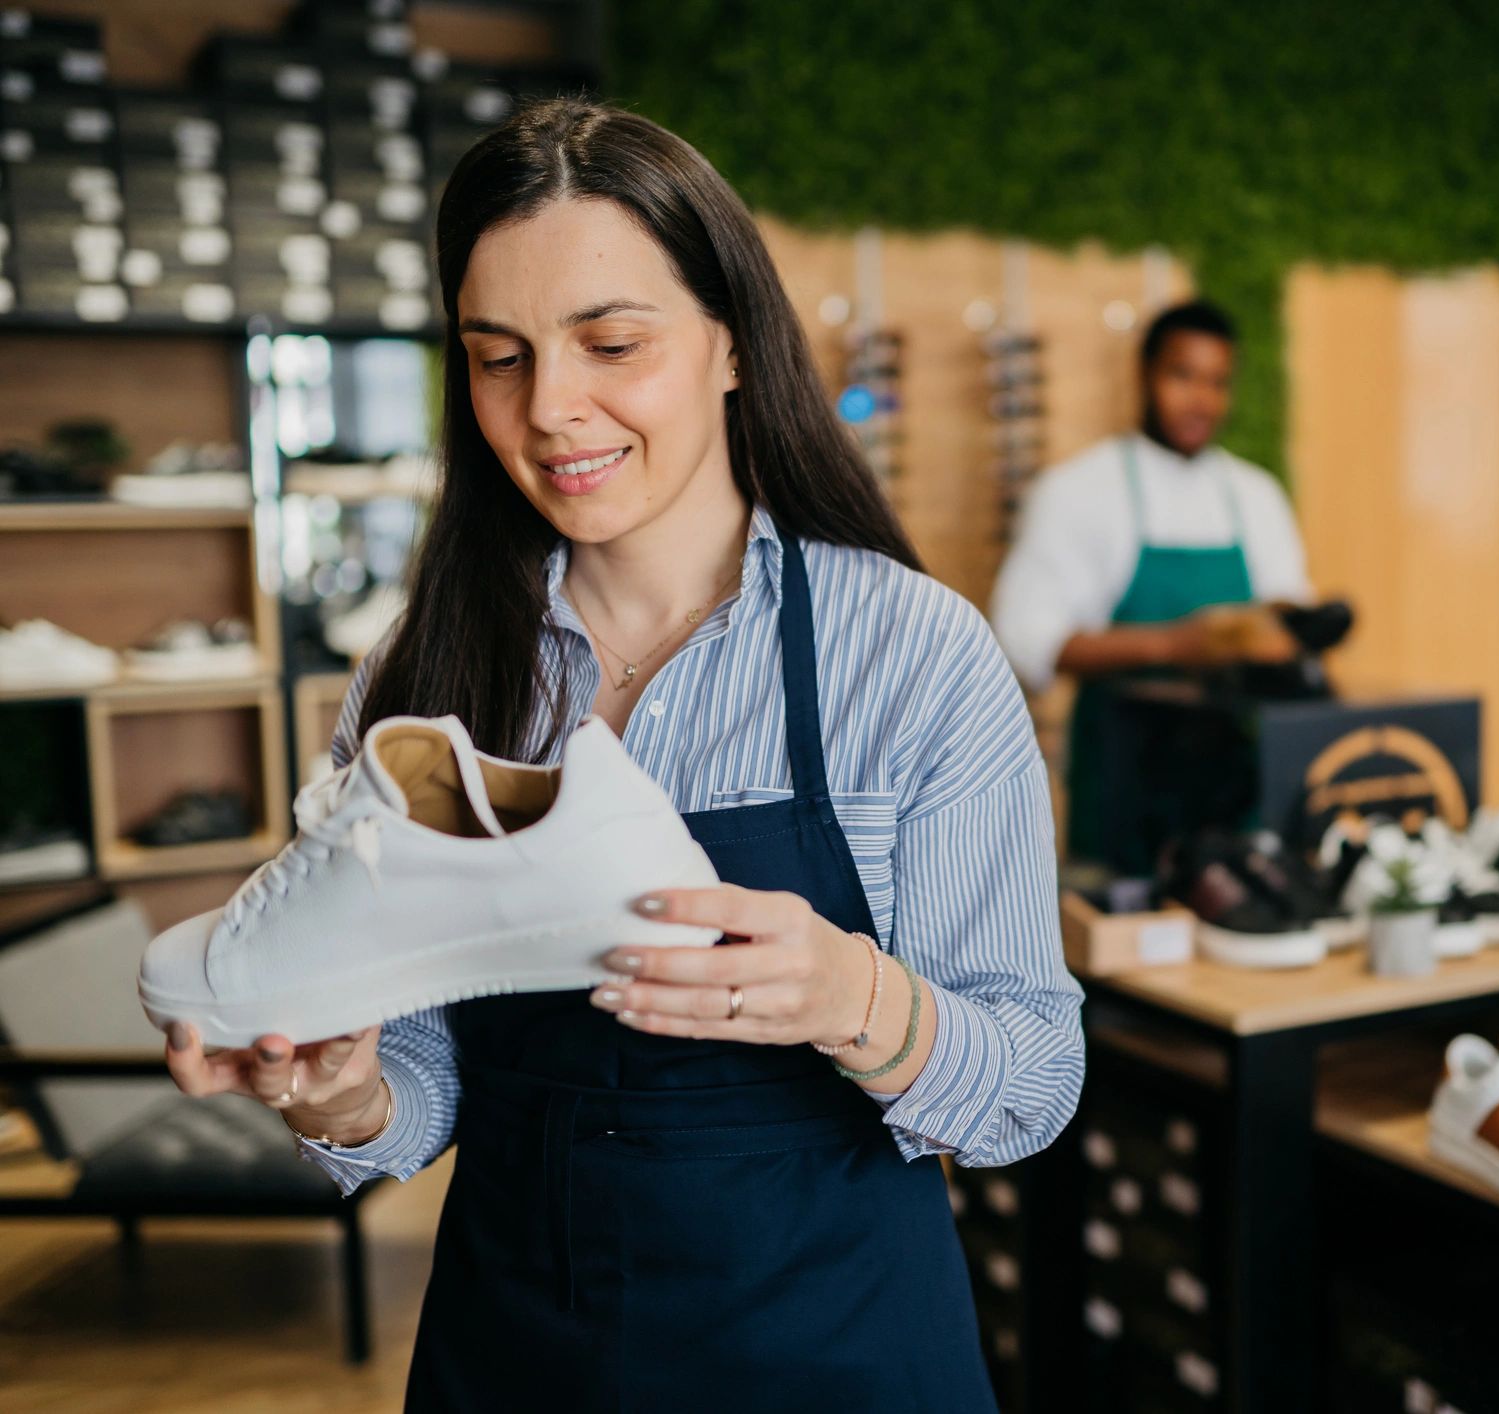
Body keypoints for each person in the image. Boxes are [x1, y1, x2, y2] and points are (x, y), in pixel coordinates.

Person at [161, 99, 1081, 1411]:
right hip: (521, 1350)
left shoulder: (912, 653)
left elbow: (1031, 1085)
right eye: (498, 356)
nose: (550, 410)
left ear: (728, 341)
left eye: (610, 343)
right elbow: (426, 1079)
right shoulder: (424, 674)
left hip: (842, 1352)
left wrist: (850, 995)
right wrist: (343, 1094)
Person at [988, 299, 1313, 860]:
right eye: (1183, 376)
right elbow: (1025, 638)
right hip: (1123, 789)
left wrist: (1295, 634)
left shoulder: (1255, 496)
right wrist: (1175, 643)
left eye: (1217, 382)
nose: (1201, 400)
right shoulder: (1079, 491)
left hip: (1234, 793)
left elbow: (1288, 621)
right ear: (1144, 374)